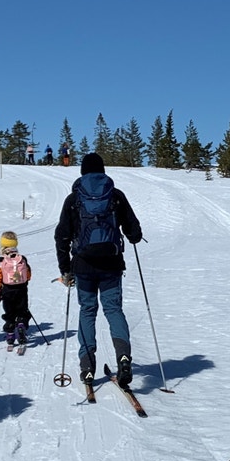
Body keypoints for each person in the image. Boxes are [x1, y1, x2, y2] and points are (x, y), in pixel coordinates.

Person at [54, 152, 142, 386]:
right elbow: (134, 231)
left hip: (83, 265)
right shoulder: (115, 195)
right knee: (113, 310)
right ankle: (123, 357)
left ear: (82, 172)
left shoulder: (73, 199)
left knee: (87, 310)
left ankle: (86, 365)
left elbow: (61, 236)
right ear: (103, 171)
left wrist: (65, 268)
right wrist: (132, 236)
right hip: (111, 264)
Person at [0, 230, 33, 348]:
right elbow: (28, 274)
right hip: (21, 290)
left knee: (9, 312)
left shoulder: (1, 261)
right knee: (22, 310)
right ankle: (21, 325)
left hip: (7, 291)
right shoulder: (22, 259)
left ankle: (10, 334)